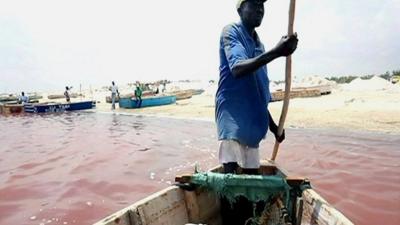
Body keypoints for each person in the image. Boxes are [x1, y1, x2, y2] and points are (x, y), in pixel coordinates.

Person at [216, 1, 298, 223]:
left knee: (252, 182)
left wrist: (274, 128)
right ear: (240, 9)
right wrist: (277, 52)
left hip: (253, 125)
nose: (260, 9)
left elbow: (260, 96)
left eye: (262, 5)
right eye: (253, 4)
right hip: (233, 119)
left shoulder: (259, 45)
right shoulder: (231, 32)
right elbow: (238, 68)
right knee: (231, 185)